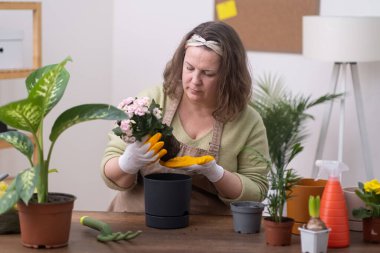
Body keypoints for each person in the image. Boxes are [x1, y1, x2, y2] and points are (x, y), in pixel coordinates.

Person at [100, 21, 269, 215]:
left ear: (228, 76)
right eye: (189, 68)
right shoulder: (152, 102)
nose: (195, 81)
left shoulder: (248, 122)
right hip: (135, 218)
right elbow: (109, 170)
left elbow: (256, 191)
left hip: (206, 232)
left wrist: (217, 174)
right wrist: (127, 163)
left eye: (208, 73)